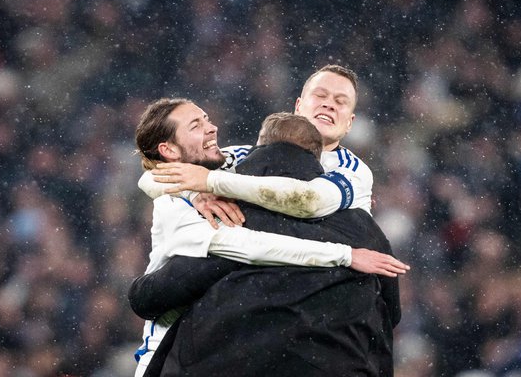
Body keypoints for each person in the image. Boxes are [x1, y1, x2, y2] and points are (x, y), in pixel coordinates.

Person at [130, 99, 409, 377]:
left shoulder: (227, 186)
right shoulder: (179, 204)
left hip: (207, 357)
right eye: (196, 124)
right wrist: (344, 255)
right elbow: (248, 247)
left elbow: (155, 292)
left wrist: (205, 185)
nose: (212, 128)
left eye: (207, 119)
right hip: (164, 350)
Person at [141, 64, 374, 221]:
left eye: (340, 101)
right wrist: (193, 194)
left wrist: (211, 182)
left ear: (350, 123)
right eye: (320, 95)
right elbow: (153, 175)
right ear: (298, 106)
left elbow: (309, 201)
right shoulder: (245, 154)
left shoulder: (353, 171)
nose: (329, 104)